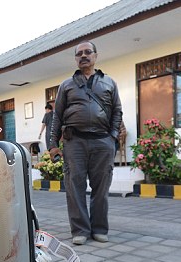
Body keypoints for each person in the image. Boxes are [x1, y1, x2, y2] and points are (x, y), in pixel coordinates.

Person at [48, 41, 123, 245]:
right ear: (75, 59)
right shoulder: (66, 85)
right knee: (75, 188)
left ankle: (99, 228)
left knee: (101, 189)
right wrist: (53, 144)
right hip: (75, 143)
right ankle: (80, 230)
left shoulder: (109, 83)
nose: (83, 56)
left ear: (95, 56)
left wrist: (112, 136)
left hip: (102, 142)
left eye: (88, 52)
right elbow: (57, 116)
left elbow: (117, 111)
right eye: (79, 53)